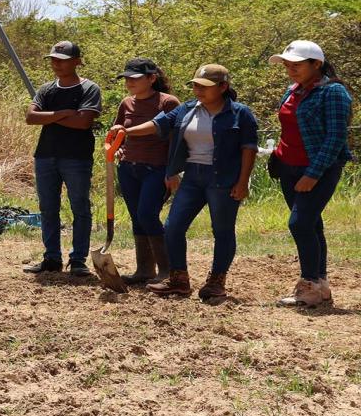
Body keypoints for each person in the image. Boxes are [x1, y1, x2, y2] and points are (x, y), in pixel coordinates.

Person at [111, 64, 258, 302]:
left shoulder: (240, 113)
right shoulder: (187, 109)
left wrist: (242, 182)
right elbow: (158, 124)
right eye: (196, 85)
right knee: (173, 227)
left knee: (222, 231)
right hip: (192, 176)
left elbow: (248, 149)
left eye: (205, 86)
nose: (198, 90)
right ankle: (179, 279)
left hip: (223, 179)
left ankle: (216, 282)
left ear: (223, 87)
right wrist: (126, 131)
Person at [267, 40, 353, 308]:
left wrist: (314, 173)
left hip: (318, 168)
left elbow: (335, 137)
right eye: (287, 65)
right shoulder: (293, 90)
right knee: (312, 224)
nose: (290, 69)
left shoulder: (334, 92)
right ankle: (320, 286)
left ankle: (309, 284)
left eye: (297, 65)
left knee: (300, 224)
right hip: (288, 167)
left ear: (316, 64)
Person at [22, 41, 103, 277]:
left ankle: (78, 260)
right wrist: (62, 114)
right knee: (48, 208)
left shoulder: (89, 89)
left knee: (80, 207)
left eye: (63, 59)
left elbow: (83, 122)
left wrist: (48, 117)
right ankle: (52, 258)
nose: (57, 64)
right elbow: (30, 117)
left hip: (76, 157)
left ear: (77, 61)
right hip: (46, 156)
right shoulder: (47, 89)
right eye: (54, 59)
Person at [111, 58, 180, 284]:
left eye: (135, 78)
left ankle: (167, 270)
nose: (129, 82)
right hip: (129, 168)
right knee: (137, 218)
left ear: (152, 78)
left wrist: (173, 172)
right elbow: (117, 133)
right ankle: (144, 270)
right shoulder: (126, 103)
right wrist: (118, 148)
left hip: (156, 167)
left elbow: (175, 140)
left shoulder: (168, 102)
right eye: (127, 78)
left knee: (147, 215)